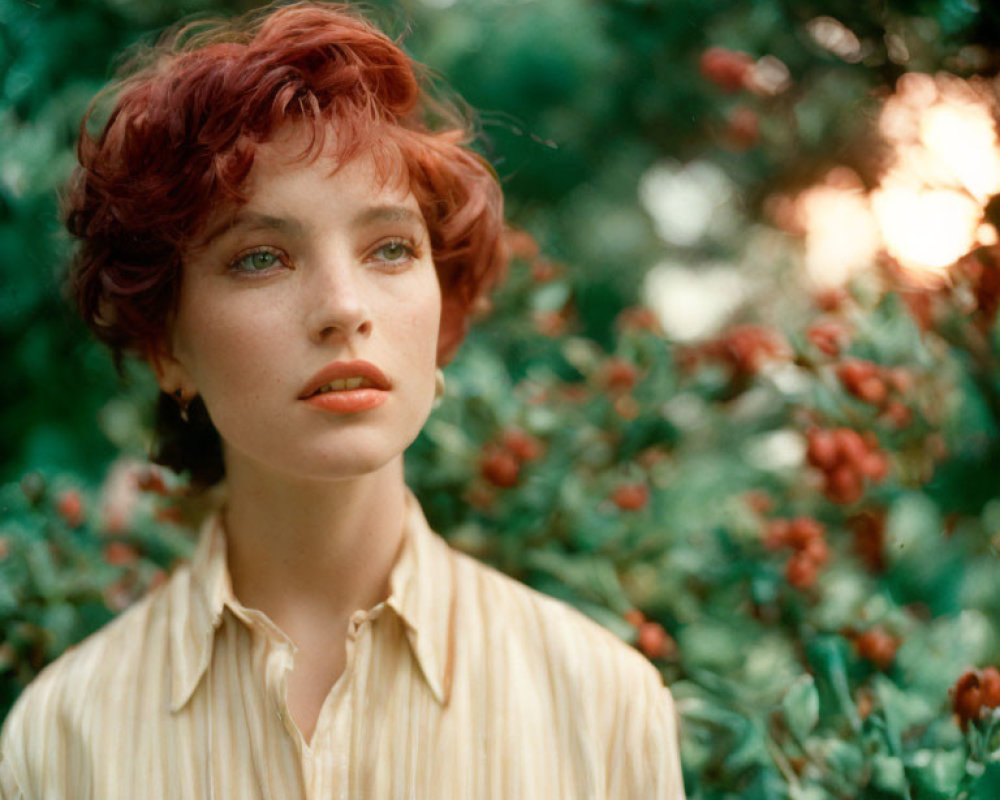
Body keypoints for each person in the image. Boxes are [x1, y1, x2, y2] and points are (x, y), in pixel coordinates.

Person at [0, 3, 685, 797]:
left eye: (390, 248)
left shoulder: (603, 708)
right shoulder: (62, 743)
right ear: (166, 345)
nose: (342, 305)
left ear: (443, 311)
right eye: (260, 257)